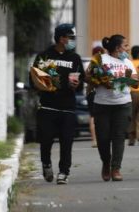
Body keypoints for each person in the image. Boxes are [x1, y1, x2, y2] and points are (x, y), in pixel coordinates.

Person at [30, 23, 85, 185]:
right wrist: (43, 85)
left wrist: (77, 84)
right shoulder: (44, 56)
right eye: (71, 37)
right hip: (48, 106)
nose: (73, 41)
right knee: (46, 140)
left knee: (66, 141)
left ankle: (64, 172)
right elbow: (33, 79)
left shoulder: (75, 58)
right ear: (62, 38)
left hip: (68, 106)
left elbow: (80, 81)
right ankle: (46, 163)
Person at [89, 34, 139, 182]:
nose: (128, 48)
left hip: (123, 104)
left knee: (118, 137)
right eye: (126, 46)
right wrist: (100, 80)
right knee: (103, 139)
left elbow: (135, 82)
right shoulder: (100, 60)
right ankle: (106, 162)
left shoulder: (127, 62)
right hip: (102, 104)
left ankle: (116, 168)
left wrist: (131, 79)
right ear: (117, 48)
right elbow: (88, 76)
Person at [86, 41, 105, 148]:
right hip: (100, 92)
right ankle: (102, 138)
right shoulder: (104, 64)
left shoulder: (88, 63)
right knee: (102, 116)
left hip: (90, 92)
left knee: (92, 116)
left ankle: (94, 140)